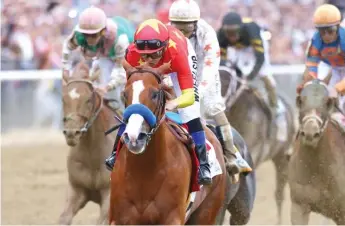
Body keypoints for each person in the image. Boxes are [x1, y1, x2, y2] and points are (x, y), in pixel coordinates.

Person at [105, 18, 212, 185]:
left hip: (176, 63)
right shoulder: (132, 54)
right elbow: (132, 91)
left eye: (155, 54)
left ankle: (204, 165)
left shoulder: (177, 54)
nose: (149, 59)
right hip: (156, 65)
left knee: (189, 112)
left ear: (164, 47)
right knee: (134, 109)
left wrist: (172, 104)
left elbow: (189, 96)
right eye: (145, 55)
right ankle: (115, 154)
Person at [168, 0, 252, 177]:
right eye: (178, 28)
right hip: (176, 73)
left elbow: (210, 67)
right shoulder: (165, 32)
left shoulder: (207, 33)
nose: (181, 34)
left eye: (186, 29)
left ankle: (231, 154)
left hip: (203, 74)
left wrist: (197, 92)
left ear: (195, 23)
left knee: (212, 106)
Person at [61, 6, 135, 106]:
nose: (89, 39)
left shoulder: (120, 40)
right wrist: (65, 70)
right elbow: (67, 47)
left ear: (103, 31)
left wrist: (107, 87)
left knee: (118, 89)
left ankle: (122, 113)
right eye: (86, 35)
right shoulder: (78, 35)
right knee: (100, 70)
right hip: (105, 54)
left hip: (128, 55)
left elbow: (121, 71)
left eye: (94, 35)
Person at [217, 12, 278, 115]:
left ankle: (274, 106)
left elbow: (260, 58)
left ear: (241, 29)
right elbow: (221, 61)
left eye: (234, 31)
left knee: (265, 75)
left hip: (253, 47)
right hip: (237, 49)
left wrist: (250, 77)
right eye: (228, 32)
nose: (231, 36)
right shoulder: (220, 35)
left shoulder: (252, 29)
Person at [298, 4, 345, 109]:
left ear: (338, 27)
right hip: (333, 67)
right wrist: (311, 82)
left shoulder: (344, 38)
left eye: (330, 30)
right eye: (322, 31)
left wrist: (337, 88)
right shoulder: (316, 40)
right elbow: (311, 64)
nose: (326, 35)